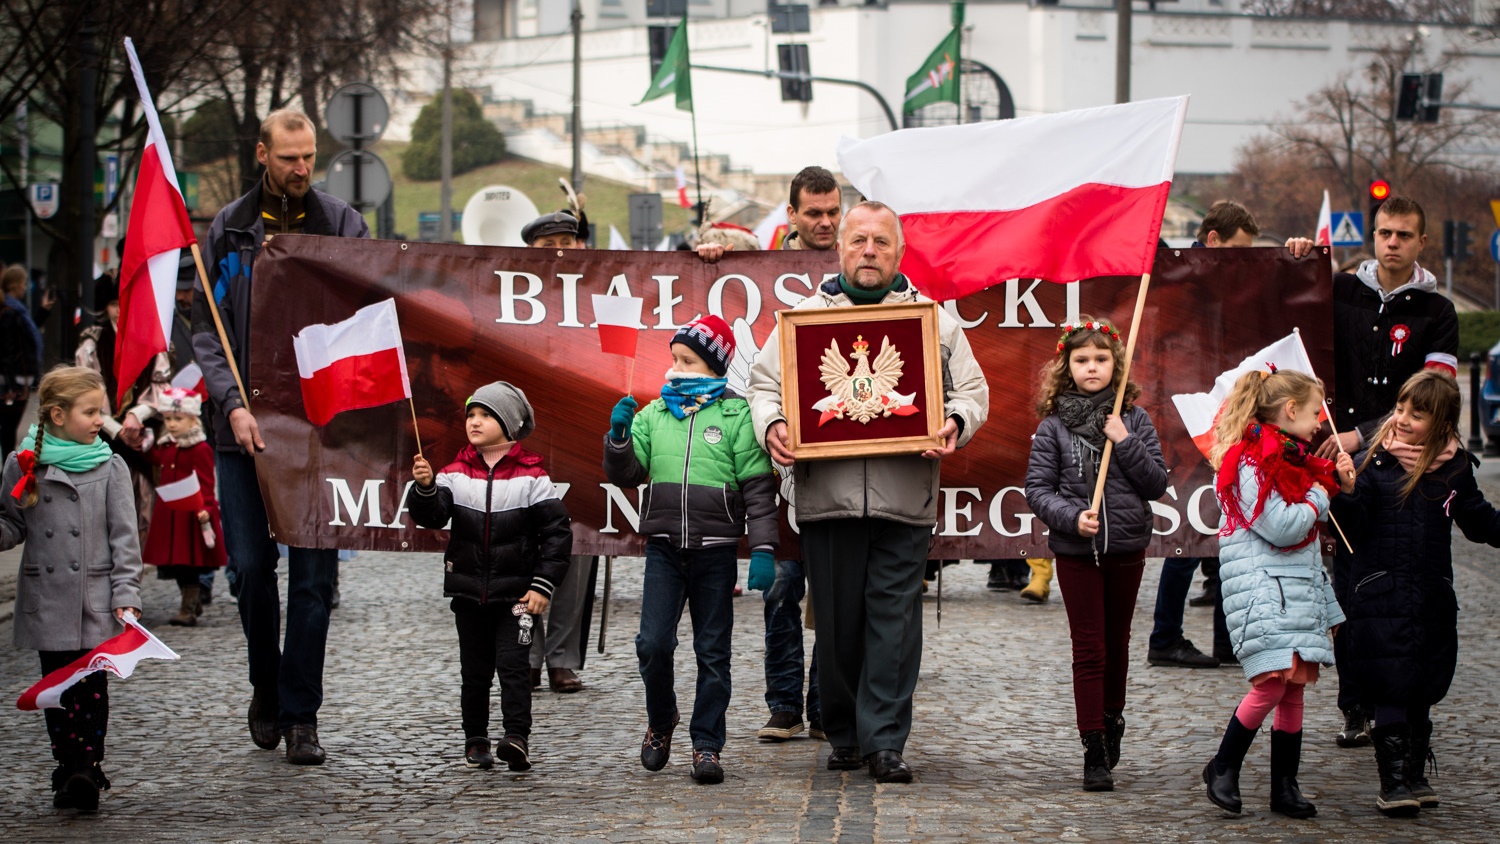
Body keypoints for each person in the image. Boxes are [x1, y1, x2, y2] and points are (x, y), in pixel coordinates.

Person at [747, 200, 989, 783]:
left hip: (904, 498)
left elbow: (973, 391)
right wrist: (772, 424)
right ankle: (844, 731)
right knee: (836, 623)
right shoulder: (801, 319)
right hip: (826, 498)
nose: (869, 251)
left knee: (894, 621)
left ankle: (884, 741)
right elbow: (764, 386)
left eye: (882, 242)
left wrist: (955, 421)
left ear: (900, 252)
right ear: (839, 248)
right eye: (859, 241)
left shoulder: (935, 321)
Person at [192, 108, 369, 765]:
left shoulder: (342, 223)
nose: (301, 169)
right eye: (289, 157)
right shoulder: (230, 228)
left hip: (318, 433)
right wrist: (232, 404)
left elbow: (365, 316)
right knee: (249, 571)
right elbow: (205, 328)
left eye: (309, 158)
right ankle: (265, 683)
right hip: (240, 430)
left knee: (315, 580)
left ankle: (301, 715)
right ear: (263, 153)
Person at [604, 315, 779, 784]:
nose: (676, 368)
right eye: (675, 359)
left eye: (688, 360)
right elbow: (625, 474)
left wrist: (763, 548)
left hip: (716, 552)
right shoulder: (652, 415)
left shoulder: (736, 416)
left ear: (713, 365)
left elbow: (760, 491)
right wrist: (619, 439)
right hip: (663, 548)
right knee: (652, 644)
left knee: (712, 652)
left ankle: (707, 745)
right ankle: (662, 722)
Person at [701, 167, 841, 743]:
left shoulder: (862, 263)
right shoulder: (762, 270)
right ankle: (784, 703)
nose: (826, 223)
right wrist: (708, 257)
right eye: (814, 213)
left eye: (833, 211)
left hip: (839, 460)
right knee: (783, 588)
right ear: (792, 216)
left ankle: (825, 703)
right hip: (781, 460)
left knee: (835, 592)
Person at [1316, 195, 1458, 749]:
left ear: (1421, 242)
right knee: (1348, 590)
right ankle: (1355, 704)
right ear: (1371, 237)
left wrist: (1365, 433)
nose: (1392, 242)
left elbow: (1436, 395)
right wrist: (1300, 258)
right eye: (1383, 233)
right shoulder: (1342, 290)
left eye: (1403, 234)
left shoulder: (1437, 312)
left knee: (1394, 590)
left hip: (1403, 464)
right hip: (1345, 465)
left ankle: (1397, 702)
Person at [1150, 200, 1317, 670]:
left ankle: (1226, 639)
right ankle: (1166, 637)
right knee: (1192, 530)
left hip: (1226, 410)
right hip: (1193, 414)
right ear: (1214, 240)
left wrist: (1292, 257)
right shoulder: (1178, 270)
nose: (1242, 259)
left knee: (1228, 527)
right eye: (1238, 250)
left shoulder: (1229, 273)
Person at [1330, 370, 1500, 816]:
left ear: (1443, 424)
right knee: (1391, 686)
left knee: (1423, 684)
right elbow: (1354, 528)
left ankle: (1416, 774)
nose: (1402, 419)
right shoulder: (1373, 460)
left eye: (1416, 414)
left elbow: (1479, 521)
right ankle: (1393, 781)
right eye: (1401, 408)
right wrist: (1346, 492)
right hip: (1378, 594)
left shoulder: (1454, 468)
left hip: (1430, 594)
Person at [1024, 316, 1168, 792]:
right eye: (1082, 360)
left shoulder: (1135, 420)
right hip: (1077, 551)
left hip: (1125, 547)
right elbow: (1038, 490)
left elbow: (1156, 483)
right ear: (1067, 366)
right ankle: (1093, 747)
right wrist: (1070, 518)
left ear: (1116, 365)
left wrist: (1123, 441)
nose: (1092, 367)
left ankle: (1113, 716)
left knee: (1117, 642)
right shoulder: (1052, 428)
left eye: (1101, 359)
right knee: (1089, 648)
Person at [1200, 368, 1350, 819]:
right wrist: (1324, 493)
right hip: (1265, 592)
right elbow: (1283, 527)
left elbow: (1304, 550)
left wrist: (1329, 607)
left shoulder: (1294, 460)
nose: (1320, 423)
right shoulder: (1252, 461)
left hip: (1295, 591)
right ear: (1289, 411)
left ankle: (1284, 786)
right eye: (1313, 413)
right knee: (1271, 684)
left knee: (1294, 689)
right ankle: (1223, 766)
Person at [410, 381, 572, 773]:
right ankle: (475, 738)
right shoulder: (452, 473)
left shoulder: (533, 477)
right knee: (475, 671)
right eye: (471, 415)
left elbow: (557, 535)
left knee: (514, 667)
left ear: (509, 424)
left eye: (485, 415)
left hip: (518, 599)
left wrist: (541, 585)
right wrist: (426, 488)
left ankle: (516, 736)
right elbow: (431, 516)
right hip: (468, 596)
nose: (475, 422)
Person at [0, 366, 143, 812]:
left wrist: (127, 594)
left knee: (91, 689)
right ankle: (69, 764)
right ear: (58, 415)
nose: (100, 419)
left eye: (99, 410)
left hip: (94, 598)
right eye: (90, 411)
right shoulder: (22, 463)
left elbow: (125, 536)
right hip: (47, 596)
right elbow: (11, 523)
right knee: (55, 689)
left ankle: (85, 766)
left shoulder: (110, 465)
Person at [520, 209, 597, 694]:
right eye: (548, 248)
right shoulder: (507, 300)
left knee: (580, 546)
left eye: (568, 243)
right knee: (523, 548)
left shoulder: (597, 297)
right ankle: (526, 653)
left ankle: (563, 658)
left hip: (580, 437)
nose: (560, 254)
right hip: (527, 435)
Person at [140, 387, 225, 626]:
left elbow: (207, 482)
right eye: (168, 419)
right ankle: (192, 602)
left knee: (189, 563)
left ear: (192, 419)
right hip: (170, 512)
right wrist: (146, 449)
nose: (172, 424)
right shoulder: (167, 446)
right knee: (176, 562)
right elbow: (159, 462)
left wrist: (207, 508)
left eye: (178, 419)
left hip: (191, 514)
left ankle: (188, 608)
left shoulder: (200, 449)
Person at [1, 265, 43, 458]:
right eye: (24, 283)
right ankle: (8, 471)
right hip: (15, 380)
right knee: (9, 428)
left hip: (15, 378)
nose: (25, 287)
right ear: (16, 285)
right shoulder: (11, 312)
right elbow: (8, 350)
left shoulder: (16, 311)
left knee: (9, 428)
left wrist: (44, 312)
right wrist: (10, 385)